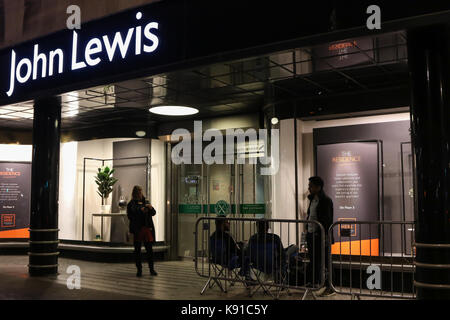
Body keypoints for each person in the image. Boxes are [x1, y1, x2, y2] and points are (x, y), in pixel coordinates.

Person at [306, 176, 335, 296]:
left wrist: (323, 235)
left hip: (321, 236)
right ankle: (318, 282)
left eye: (311, 186)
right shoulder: (312, 199)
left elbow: (327, 220)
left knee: (325, 262)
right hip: (311, 235)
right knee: (315, 260)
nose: (309, 188)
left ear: (318, 187)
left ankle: (330, 286)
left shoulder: (326, 200)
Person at [127, 186, 157, 277]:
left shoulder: (146, 202)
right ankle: (139, 270)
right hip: (138, 229)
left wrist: (151, 208)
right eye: (138, 192)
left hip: (147, 229)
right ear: (135, 193)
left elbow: (153, 213)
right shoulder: (131, 203)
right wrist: (141, 211)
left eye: (141, 192)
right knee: (137, 250)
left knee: (150, 250)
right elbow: (131, 216)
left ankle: (151, 269)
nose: (140, 194)